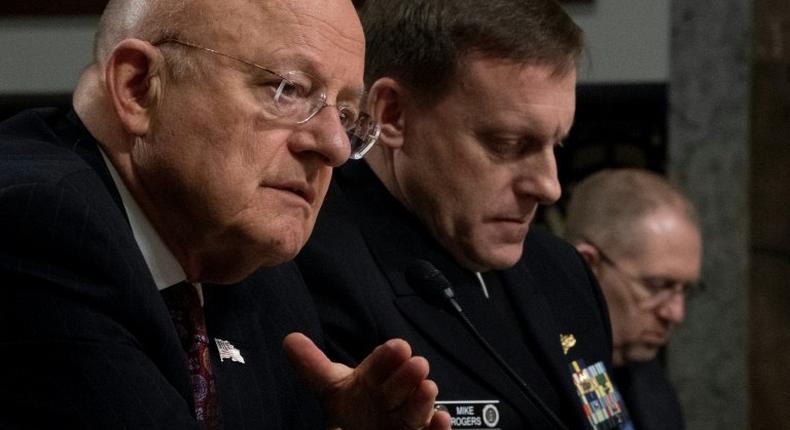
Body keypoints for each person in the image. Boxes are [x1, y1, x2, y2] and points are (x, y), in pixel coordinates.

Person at [0, 0, 450, 429]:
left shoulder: (254, 264)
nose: (334, 146)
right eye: (288, 89)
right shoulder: (36, 223)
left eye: (348, 113)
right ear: (138, 87)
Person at [296, 0, 631, 428]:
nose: (549, 186)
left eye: (556, 145)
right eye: (508, 144)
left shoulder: (562, 272)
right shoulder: (309, 269)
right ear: (393, 114)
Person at [564, 168, 703, 430]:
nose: (676, 313)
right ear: (587, 267)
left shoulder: (654, 385)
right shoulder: (529, 373)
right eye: (657, 285)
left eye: (685, 290)